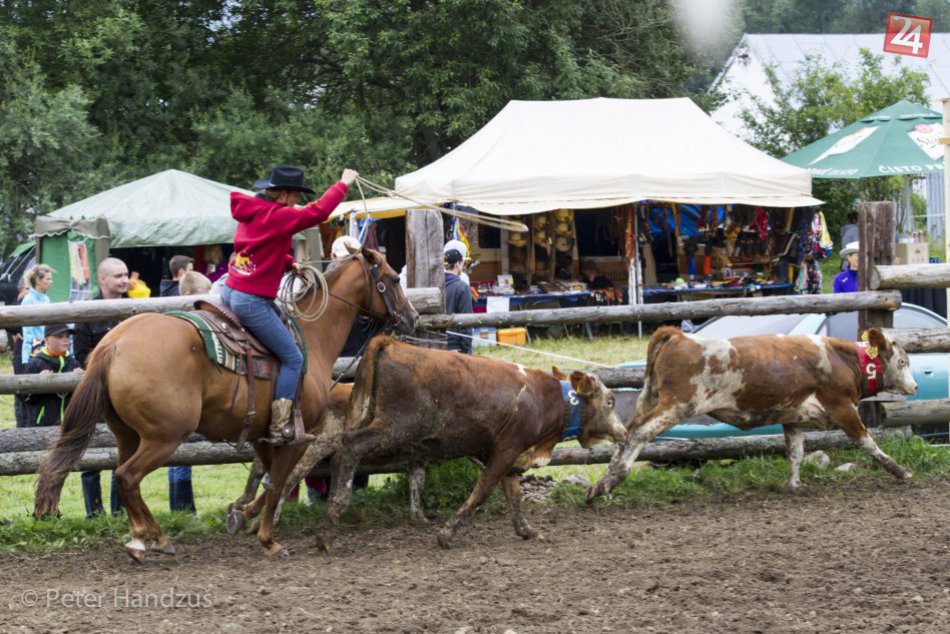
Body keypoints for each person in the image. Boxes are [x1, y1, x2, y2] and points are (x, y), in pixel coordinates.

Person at [221, 163, 358, 444]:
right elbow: (318, 212)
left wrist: (288, 262)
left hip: (231, 290)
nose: (297, 201)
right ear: (283, 194)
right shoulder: (279, 215)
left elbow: (255, 247)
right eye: (295, 195)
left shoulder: (254, 211)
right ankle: (279, 424)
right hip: (251, 300)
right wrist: (343, 184)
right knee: (293, 358)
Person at [74, 257, 130, 518]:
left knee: (127, 446)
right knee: (92, 445)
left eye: (125, 274)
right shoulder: (89, 311)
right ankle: (94, 512)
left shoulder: (134, 309)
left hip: (129, 390)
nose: (124, 280)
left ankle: (121, 509)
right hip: (98, 388)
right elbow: (80, 353)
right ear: (103, 279)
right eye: (118, 276)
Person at [165, 270, 213, 514]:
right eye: (204, 294)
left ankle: (182, 508)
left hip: (184, 390)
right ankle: (182, 507)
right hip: (181, 393)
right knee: (178, 452)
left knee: (179, 453)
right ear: (186, 294)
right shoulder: (185, 326)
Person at [21, 323, 83, 427]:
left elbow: (82, 398)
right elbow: (25, 398)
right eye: (60, 337)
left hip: (71, 423)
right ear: (47, 340)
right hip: (43, 425)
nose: (66, 340)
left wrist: (80, 380)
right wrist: (38, 383)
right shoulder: (35, 363)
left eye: (67, 336)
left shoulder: (74, 364)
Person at [20, 264, 54, 365]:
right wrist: (26, 359)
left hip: (47, 348)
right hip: (35, 351)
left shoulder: (47, 299)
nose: (51, 281)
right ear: (38, 281)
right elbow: (27, 333)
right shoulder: (28, 300)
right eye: (48, 279)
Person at [444, 240, 473, 354]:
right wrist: (466, 348)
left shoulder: (437, 286)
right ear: (457, 264)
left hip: (439, 344)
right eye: (462, 263)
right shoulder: (462, 287)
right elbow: (467, 321)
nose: (462, 266)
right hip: (457, 347)